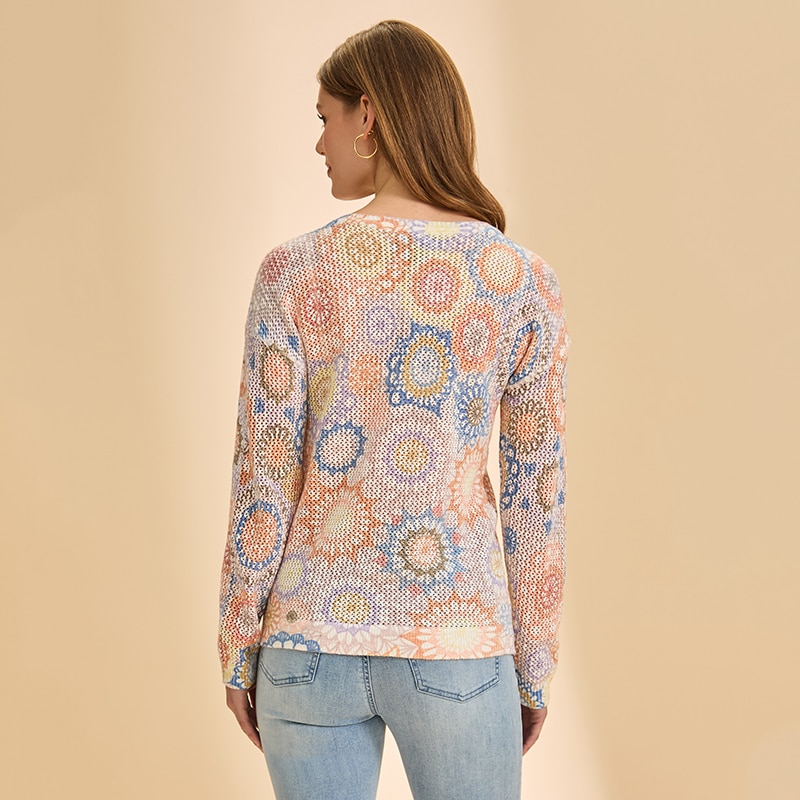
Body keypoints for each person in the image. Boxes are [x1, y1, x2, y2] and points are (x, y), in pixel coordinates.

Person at [218, 19, 570, 800]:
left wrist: (240, 646)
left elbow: (264, 478)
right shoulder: (520, 281)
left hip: (307, 647)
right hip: (459, 645)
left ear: (368, 115)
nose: (320, 144)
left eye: (325, 118)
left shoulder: (292, 272)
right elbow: (536, 494)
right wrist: (535, 664)